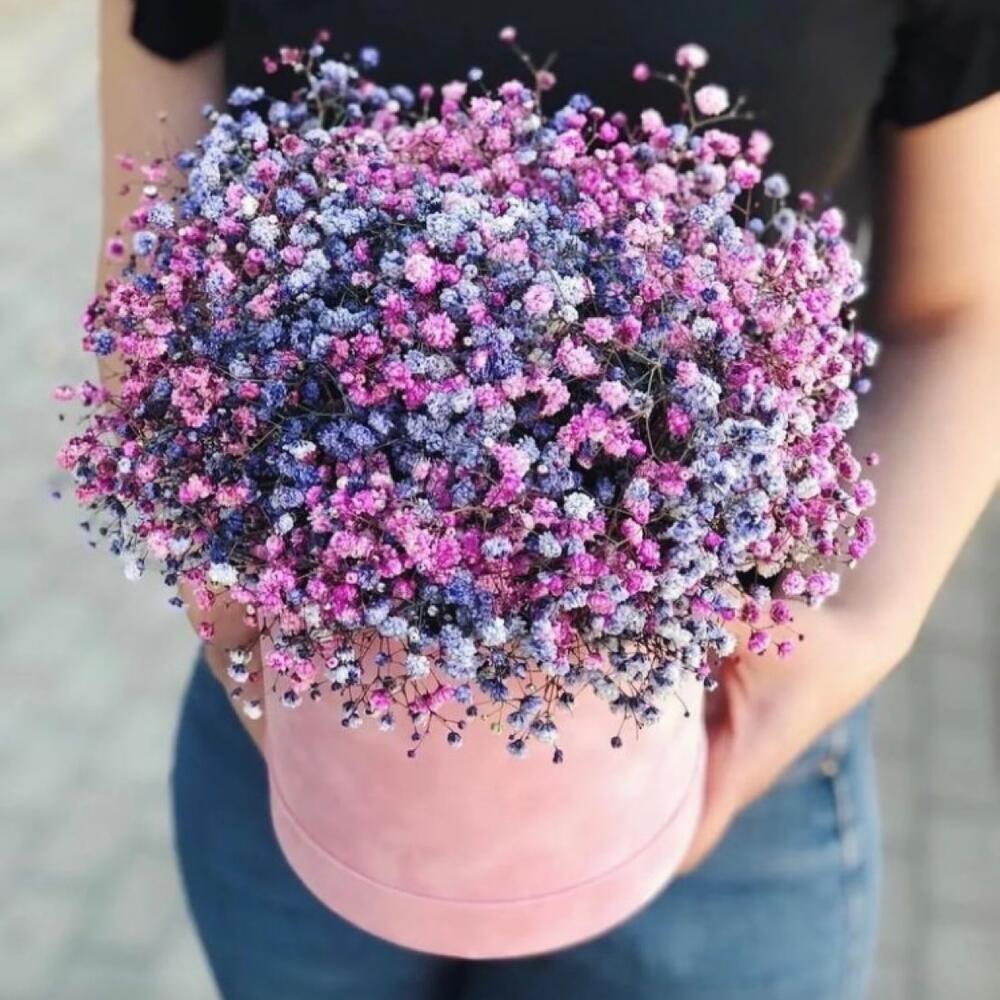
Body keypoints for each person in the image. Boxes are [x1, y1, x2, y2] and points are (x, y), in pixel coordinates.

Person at [98, 1, 1000, 996]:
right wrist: (229, 608)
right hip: (301, 739)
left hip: (706, 745)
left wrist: (858, 626)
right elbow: (148, 286)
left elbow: (963, 313)